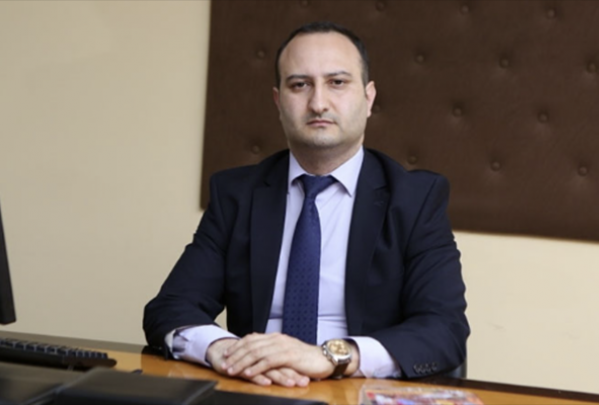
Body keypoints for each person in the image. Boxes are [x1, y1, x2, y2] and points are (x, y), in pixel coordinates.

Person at [143, 21, 469, 388]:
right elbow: (170, 308)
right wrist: (225, 350)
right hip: (255, 388)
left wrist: (330, 357)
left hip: (355, 390)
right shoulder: (236, 194)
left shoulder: (415, 199)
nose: (318, 103)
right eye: (300, 85)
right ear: (278, 101)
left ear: (369, 98)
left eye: (337, 82)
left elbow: (444, 329)